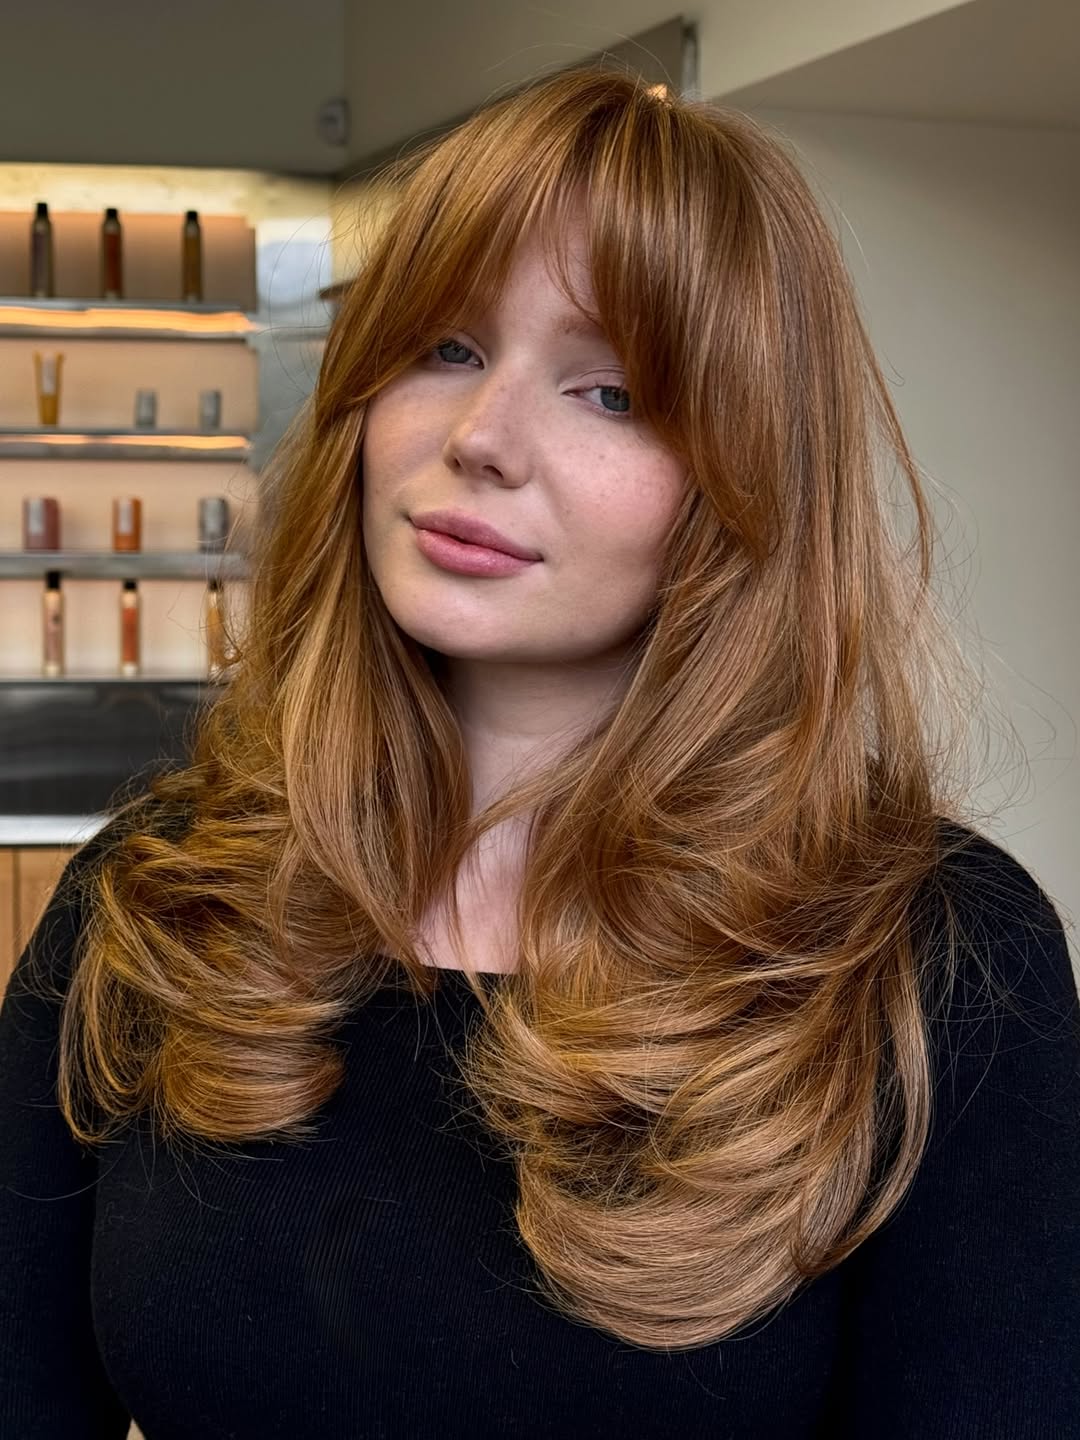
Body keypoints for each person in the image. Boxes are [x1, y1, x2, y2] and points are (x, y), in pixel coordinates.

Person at [2, 63, 1078, 1440]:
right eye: (445, 349)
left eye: (613, 392)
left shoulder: (933, 962)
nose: (480, 439)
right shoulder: (157, 897)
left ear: (749, 479)